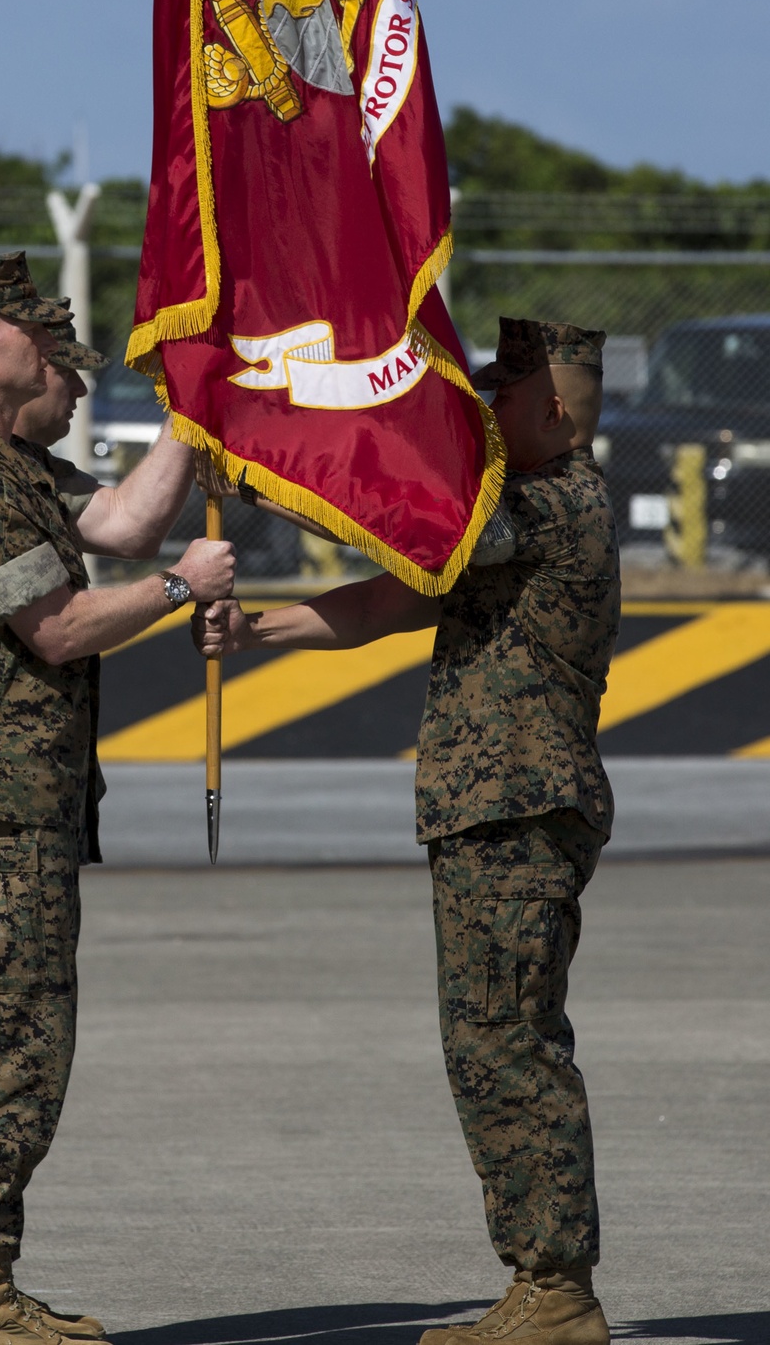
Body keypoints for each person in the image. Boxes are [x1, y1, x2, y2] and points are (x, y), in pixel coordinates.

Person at [194, 318, 619, 1345]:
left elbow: (405, 527)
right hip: (489, 809)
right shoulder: (512, 511)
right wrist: (257, 633)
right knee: (487, 1043)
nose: (482, 408)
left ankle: (555, 1289)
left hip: (518, 806)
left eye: (502, 394)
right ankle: (538, 1281)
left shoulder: (554, 503)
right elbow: (391, 599)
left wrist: (255, 469)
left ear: (553, 407)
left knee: (509, 1046)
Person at [0, 252, 235, 1345]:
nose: (75, 383)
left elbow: (123, 524)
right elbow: (60, 627)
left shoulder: (14, 466)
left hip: (16, 802)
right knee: (6, 1043)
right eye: (52, 355)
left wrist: (195, 414)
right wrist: (184, 588)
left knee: (19, 1037)